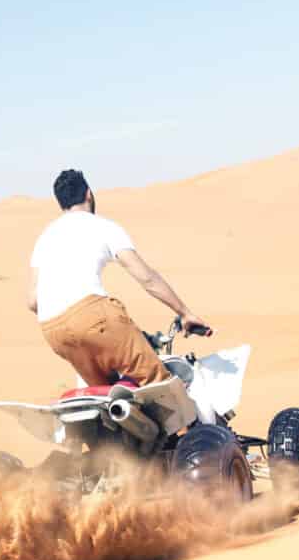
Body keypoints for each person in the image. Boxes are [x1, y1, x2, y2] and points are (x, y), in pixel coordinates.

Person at [25, 168, 210, 392]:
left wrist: (67, 318)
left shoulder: (45, 238)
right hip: (94, 317)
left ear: (61, 203)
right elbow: (147, 278)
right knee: (159, 386)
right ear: (89, 194)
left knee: (107, 396)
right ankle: (183, 428)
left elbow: (33, 301)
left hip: (53, 330)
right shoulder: (103, 226)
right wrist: (184, 313)